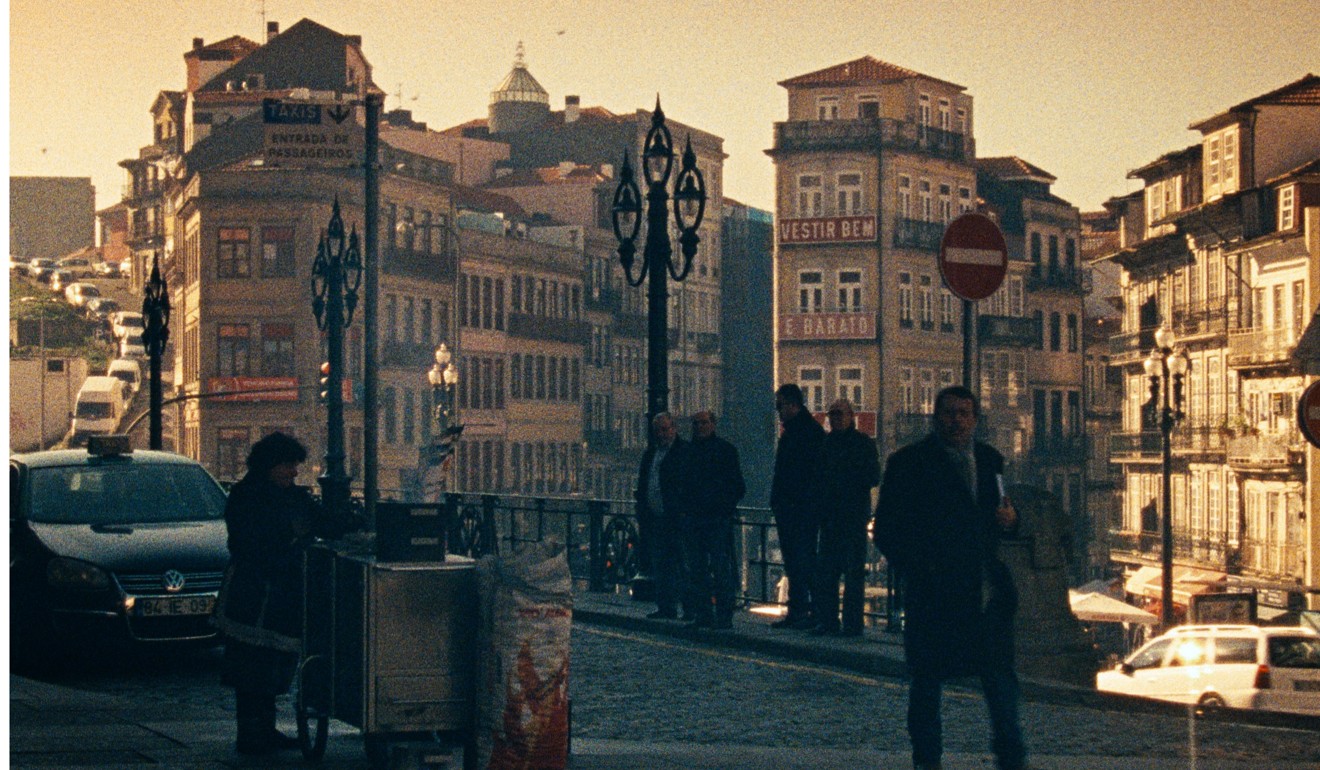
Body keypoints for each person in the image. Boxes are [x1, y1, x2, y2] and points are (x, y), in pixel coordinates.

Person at [873, 386, 1027, 770]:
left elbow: (1001, 516)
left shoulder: (990, 460)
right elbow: (887, 528)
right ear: (936, 417)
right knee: (926, 684)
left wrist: (1011, 521)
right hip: (934, 592)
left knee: (1001, 683)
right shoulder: (908, 463)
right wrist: (919, 568)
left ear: (975, 418)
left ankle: (1012, 759)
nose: (956, 420)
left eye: (964, 413)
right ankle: (927, 762)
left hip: (983, 593)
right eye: (949, 413)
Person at [213, 432, 349, 756]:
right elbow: (252, 544)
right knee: (250, 666)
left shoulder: (288, 496)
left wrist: (347, 522)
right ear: (269, 465)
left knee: (271, 665)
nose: (293, 472)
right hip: (253, 592)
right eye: (288, 465)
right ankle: (250, 733)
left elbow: (322, 522)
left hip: (277, 593)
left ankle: (265, 728)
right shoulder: (248, 497)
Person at [812, 399, 880, 637]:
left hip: (852, 517)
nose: (836, 418)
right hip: (831, 517)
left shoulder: (862, 444)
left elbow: (873, 476)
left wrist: (845, 479)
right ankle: (828, 620)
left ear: (851, 416)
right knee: (828, 572)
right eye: (832, 414)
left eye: (840, 413)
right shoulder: (826, 444)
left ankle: (852, 624)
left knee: (853, 573)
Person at [769, 383, 825, 630]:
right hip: (792, 506)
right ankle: (801, 609)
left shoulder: (806, 432)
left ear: (793, 404)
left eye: (780, 405)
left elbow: (803, 473)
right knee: (796, 560)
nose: (778, 411)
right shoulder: (800, 429)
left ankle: (808, 610)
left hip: (799, 508)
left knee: (802, 560)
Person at [683, 410, 746, 629]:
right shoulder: (689, 452)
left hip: (716, 518)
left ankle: (723, 615)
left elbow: (737, 486)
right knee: (698, 568)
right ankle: (704, 614)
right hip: (696, 518)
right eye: (696, 424)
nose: (700, 427)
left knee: (720, 568)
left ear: (713, 424)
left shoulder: (725, 451)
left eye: (703, 423)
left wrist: (723, 506)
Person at [634, 412, 690, 620]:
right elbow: (644, 483)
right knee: (661, 564)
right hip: (655, 518)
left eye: (665, 429)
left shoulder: (683, 451)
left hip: (675, 518)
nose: (662, 433)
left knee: (682, 564)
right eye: (658, 430)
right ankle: (666, 606)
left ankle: (688, 607)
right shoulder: (651, 454)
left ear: (674, 428)